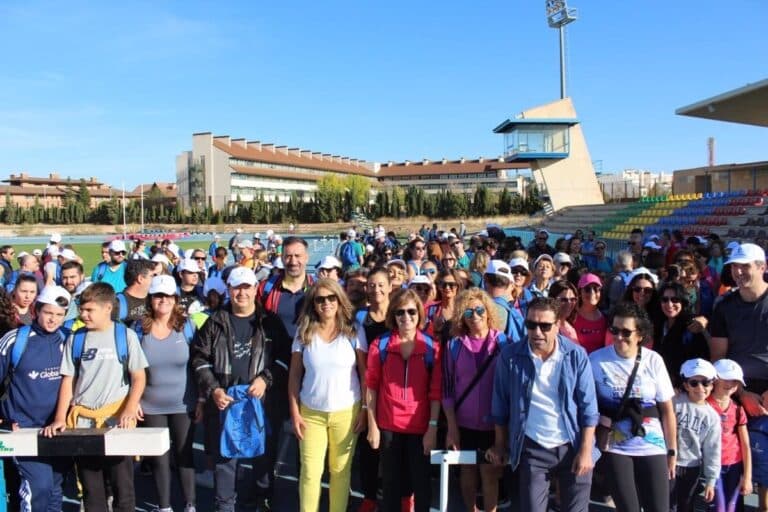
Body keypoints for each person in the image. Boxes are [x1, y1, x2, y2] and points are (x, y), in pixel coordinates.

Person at [43, 282, 148, 512]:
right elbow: (68, 380)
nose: (83, 314)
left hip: (116, 421)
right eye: (82, 309)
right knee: (92, 491)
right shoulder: (76, 339)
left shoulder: (125, 335)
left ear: (107, 308)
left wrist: (130, 409)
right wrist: (60, 417)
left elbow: (139, 377)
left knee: (123, 490)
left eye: (90, 310)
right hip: (83, 424)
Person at [487, 297, 599, 511]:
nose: (537, 332)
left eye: (545, 326)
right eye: (531, 325)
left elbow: (589, 409)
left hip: (573, 444)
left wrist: (585, 451)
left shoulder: (576, 355)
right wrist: (500, 444)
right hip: (532, 448)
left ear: (558, 325)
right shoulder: (510, 356)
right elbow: (500, 405)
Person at [190, 267, 288, 511]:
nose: (242, 293)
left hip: (260, 403)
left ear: (256, 289)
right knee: (225, 460)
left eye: (247, 287)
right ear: (229, 290)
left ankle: (262, 500)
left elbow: (285, 358)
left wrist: (265, 378)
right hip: (226, 401)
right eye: (237, 287)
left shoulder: (270, 322)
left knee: (263, 458)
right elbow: (199, 359)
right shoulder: (214, 321)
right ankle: (224, 506)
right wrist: (214, 389)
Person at [589, 302, 677, 512]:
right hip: (614, 445)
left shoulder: (653, 360)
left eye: (626, 332)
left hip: (651, 443)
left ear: (640, 334)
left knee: (659, 508)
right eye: (614, 330)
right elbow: (587, 405)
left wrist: (672, 451)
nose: (619, 337)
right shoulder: (596, 360)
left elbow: (667, 411)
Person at [288, 279, 367, 512]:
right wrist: (294, 412)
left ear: (339, 300)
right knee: (310, 473)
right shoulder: (303, 331)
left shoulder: (354, 330)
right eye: (320, 299)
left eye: (331, 297)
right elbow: (294, 376)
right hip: (311, 413)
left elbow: (365, 375)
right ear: (313, 303)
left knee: (340, 472)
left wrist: (364, 410)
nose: (326, 303)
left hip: (347, 412)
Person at [365, 289, 441, 512]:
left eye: (411, 311)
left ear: (419, 313)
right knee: (390, 486)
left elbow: (436, 393)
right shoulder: (380, 345)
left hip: (420, 428)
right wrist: (372, 425)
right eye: (400, 312)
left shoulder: (432, 347)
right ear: (393, 315)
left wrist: (433, 428)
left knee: (422, 486)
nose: (406, 317)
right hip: (389, 426)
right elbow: (371, 386)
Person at [0, 286, 72, 511]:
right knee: (38, 487)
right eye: (49, 313)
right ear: (36, 310)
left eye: (59, 315)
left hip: (59, 430)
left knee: (54, 489)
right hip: (25, 430)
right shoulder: (14, 340)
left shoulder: (68, 339)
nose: (53, 319)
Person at [137, 275, 198, 512]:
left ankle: (190, 504)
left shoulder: (188, 326)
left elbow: (198, 365)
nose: (163, 300)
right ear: (151, 299)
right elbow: (133, 369)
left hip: (184, 403)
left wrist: (201, 399)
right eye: (158, 296)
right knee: (159, 459)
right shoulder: (139, 329)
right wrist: (134, 402)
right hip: (151, 405)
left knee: (184, 455)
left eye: (168, 296)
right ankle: (164, 506)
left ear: (175, 299)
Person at [443, 289, 505, 512]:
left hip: (494, 424)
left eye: (480, 310)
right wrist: (451, 427)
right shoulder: (454, 345)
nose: (475, 315)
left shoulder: (503, 343)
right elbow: (447, 388)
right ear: (462, 316)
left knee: (490, 473)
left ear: (488, 312)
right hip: (464, 422)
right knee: (467, 470)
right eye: (468, 311)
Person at [353, 268, 393, 512]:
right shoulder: (359, 318)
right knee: (368, 445)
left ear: (390, 287)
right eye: (371, 285)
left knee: (391, 447)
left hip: (394, 392)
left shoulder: (401, 315)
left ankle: (395, 496)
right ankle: (369, 497)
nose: (376, 290)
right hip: (367, 389)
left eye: (381, 285)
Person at [671, 358, 722, 511]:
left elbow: (712, 449)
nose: (700, 387)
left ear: (712, 385)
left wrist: (711, 480)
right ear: (686, 385)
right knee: (666, 505)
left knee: (686, 505)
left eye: (705, 382)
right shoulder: (674, 401)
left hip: (692, 466)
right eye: (694, 383)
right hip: (668, 461)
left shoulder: (712, 416)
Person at [708, 359, 753, 512]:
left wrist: (747, 477)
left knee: (732, 507)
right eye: (726, 379)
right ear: (714, 379)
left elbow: (745, 445)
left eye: (735, 381)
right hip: (712, 465)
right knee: (719, 507)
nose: (730, 384)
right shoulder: (704, 406)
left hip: (735, 464)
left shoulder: (738, 409)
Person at [652, 282, 710, 387]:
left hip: (683, 388)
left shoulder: (692, 327)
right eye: (665, 300)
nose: (669, 304)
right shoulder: (659, 325)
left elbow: (697, 361)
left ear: (683, 302)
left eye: (675, 300)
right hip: (660, 383)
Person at [572, 273, 608, 354]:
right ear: (580, 292)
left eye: (596, 289)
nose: (592, 293)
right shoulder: (572, 317)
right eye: (587, 289)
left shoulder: (606, 318)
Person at [114, 258, 156, 325]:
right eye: (152, 276)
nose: (155, 279)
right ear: (140, 279)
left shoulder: (156, 299)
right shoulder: (117, 304)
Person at [425, 269, 462, 342]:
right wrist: (435, 330)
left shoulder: (463, 309)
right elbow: (424, 336)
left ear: (457, 286)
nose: (447, 288)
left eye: (451, 285)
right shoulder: (430, 310)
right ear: (438, 287)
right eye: (443, 284)